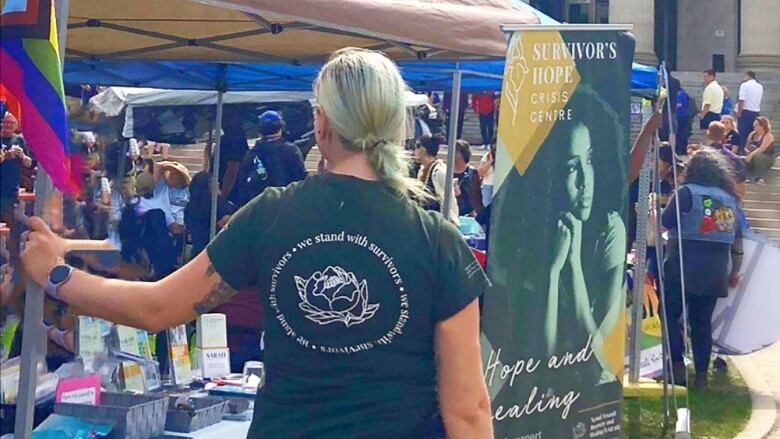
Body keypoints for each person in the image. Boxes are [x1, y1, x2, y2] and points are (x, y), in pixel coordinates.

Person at [21, 47, 493, 438]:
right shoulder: (439, 242)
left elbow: (158, 308)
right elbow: (468, 410)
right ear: (397, 126)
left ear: (322, 122)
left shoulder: (272, 214)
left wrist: (57, 275)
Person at [662, 148, 743, 388]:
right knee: (701, 322)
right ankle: (700, 376)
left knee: (669, 315)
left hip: (682, 265)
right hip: (715, 269)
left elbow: (666, 221)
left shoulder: (685, 193)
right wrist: (734, 271)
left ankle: (677, 366)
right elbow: (737, 242)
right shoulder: (730, 200)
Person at [233, 111, 307, 207]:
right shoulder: (291, 150)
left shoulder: (251, 154)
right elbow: (300, 179)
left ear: (259, 130)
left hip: (258, 206)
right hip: (284, 205)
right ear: (281, 128)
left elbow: (242, 186)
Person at [184, 172, 236, 258]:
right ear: (205, 186)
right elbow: (225, 222)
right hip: (218, 249)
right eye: (213, 181)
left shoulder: (190, 206)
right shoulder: (215, 203)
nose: (218, 183)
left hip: (197, 250)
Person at [415, 133, 460, 223]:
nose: (414, 150)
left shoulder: (439, 172)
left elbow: (450, 200)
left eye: (416, 146)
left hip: (438, 222)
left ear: (423, 150)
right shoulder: (422, 170)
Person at [210, 107, 248, 200]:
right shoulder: (227, 136)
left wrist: (223, 194)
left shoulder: (234, 137)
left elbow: (232, 169)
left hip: (231, 193)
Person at [706, 121, 748, 199]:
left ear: (708, 135)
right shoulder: (734, 158)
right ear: (723, 136)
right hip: (727, 200)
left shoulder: (699, 157)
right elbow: (742, 186)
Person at [453, 140, 482, 217]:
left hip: (467, 214)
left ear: (463, 153)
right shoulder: (446, 171)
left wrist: (476, 212)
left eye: (456, 150)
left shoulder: (472, 173)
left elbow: (477, 196)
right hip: (451, 211)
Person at [744, 116, 776, 184]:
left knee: (758, 157)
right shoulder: (752, 134)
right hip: (753, 154)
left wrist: (751, 155)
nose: (754, 126)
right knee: (742, 159)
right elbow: (746, 146)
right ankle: (747, 178)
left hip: (767, 157)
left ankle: (759, 178)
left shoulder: (768, 136)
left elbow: (762, 149)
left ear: (762, 126)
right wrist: (747, 153)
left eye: (756, 125)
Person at [736, 71, 763, 151]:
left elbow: (741, 100)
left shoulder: (744, 85)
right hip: (756, 112)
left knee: (743, 136)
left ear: (748, 76)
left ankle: (743, 153)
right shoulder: (760, 86)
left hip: (745, 112)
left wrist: (739, 113)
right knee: (754, 135)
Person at [676, 87, 696, 155]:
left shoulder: (681, 94)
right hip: (683, 117)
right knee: (682, 134)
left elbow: (680, 104)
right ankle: (681, 149)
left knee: (681, 134)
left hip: (682, 117)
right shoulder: (683, 94)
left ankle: (680, 150)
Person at [478, 143, 496, 207]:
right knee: (486, 206)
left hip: (500, 185)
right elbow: (480, 172)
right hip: (488, 185)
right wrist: (490, 161)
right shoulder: (487, 156)